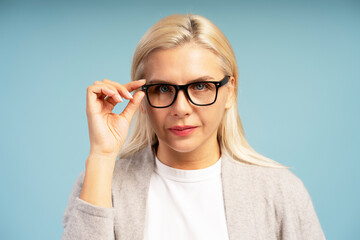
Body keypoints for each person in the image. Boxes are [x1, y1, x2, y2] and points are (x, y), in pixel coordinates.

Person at [61, 14, 326, 240]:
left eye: (200, 86)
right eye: (163, 88)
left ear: (229, 92)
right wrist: (102, 155)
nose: (181, 108)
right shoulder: (100, 183)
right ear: (141, 97)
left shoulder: (280, 191)